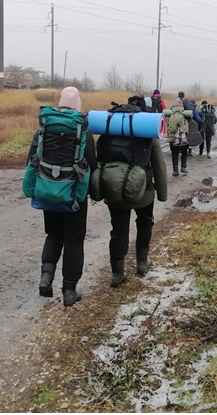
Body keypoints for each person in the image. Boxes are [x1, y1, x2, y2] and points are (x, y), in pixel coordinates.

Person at [93, 97, 169, 285]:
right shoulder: (146, 130)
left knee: (118, 230)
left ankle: (117, 273)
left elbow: (99, 158)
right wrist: (162, 194)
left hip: (113, 189)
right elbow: (159, 166)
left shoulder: (109, 129)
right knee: (144, 223)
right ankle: (142, 263)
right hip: (144, 191)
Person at [37, 86, 97, 307]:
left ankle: (46, 277)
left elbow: (32, 159)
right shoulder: (84, 131)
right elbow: (92, 164)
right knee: (73, 240)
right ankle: (69, 291)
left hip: (47, 190)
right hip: (74, 195)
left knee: (53, 234)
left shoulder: (44, 128)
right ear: (78, 105)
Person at [165, 100, 191, 177]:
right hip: (183, 138)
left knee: (174, 154)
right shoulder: (185, 114)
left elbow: (170, 128)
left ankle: (175, 170)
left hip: (173, 139)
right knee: (184, 152)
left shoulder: (171, 114)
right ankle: (183, 167)